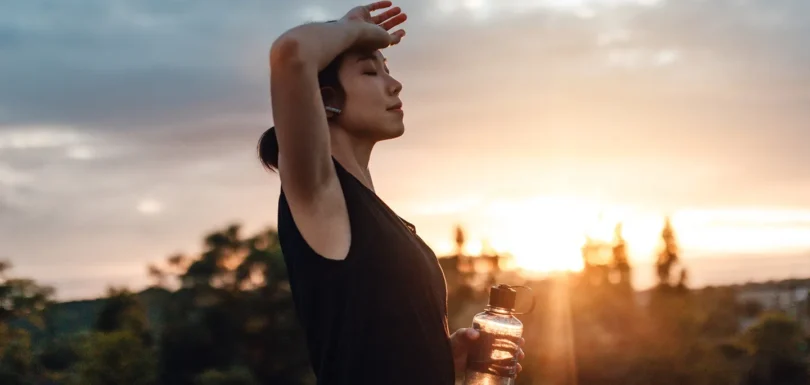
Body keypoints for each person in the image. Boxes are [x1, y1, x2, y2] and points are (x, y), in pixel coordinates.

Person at [257, 2, 524, 384]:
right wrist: (352, 28)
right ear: (328, 99)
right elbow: (291, 52)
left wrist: (444, 360)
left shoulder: (382, 218)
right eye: (369, 71)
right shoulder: (320, 190)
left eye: (389, 70)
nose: (394, 84)